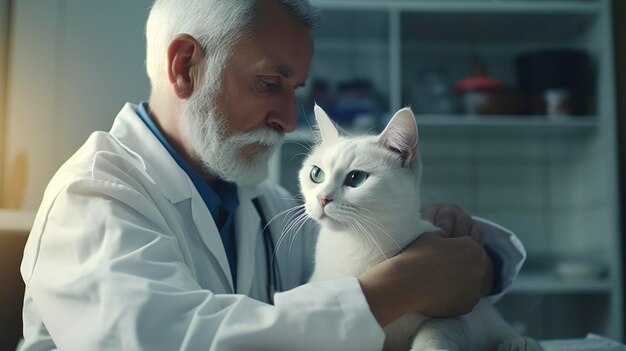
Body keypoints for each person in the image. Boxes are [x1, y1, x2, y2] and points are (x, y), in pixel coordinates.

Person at [19, 0, 525, 350]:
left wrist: (463, 243)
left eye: (295, 89)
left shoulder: (259, 199)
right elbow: (173, 341)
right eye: (269, 83)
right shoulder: (91, 198)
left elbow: (372, 252)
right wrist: (395, 288)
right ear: (185, 66)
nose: (288, 118)